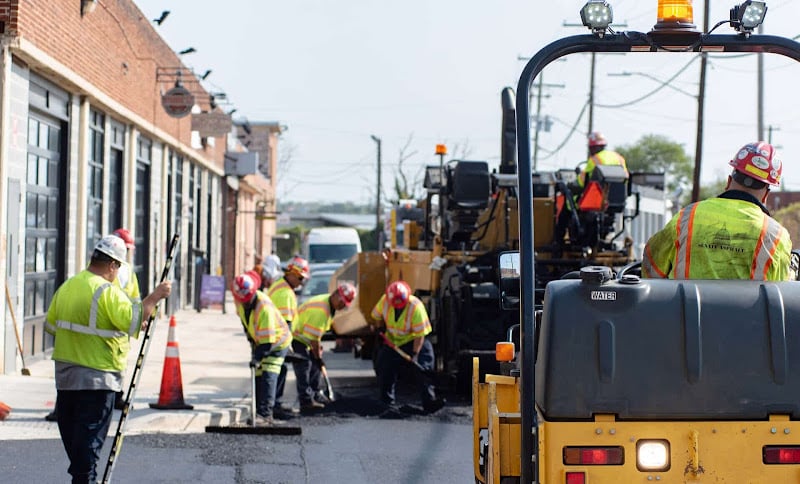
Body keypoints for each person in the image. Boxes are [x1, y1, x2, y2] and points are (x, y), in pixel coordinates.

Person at [45, 235, 172, 483]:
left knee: (78, 453)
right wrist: (155, 296)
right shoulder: (106, 291)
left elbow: (51, 326)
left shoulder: (67, 287)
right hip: (97, 380)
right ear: (113, 265)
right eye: (118, 268)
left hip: (66, 381)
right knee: (87, 457)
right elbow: (134, 320)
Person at [643, 141, 792, 281]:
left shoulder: (687, 217)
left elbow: (651, 270)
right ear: (766, 194)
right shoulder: (777, 235)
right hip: (748, 310)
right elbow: (780, 293)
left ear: (728, 181)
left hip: (685, 308)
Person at [44, 228, 141, 421]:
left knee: (75, 429)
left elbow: (51, 326)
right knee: (90, 432)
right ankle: (116, 397)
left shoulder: (71, 283)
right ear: (113, 264)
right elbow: (133, 314)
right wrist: (151, 302)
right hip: (102, 360)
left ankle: (115, 397)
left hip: (70, 362)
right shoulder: (109, 286)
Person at [370, 280, 445, 414]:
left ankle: (429, 401)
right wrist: (378, 327)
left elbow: (420, 335)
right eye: (395, 303)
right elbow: (376, 316)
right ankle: (386, 402)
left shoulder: (415, 306)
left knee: (423, 368)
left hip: (414, 340)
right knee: (384, 366)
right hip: (393, 341)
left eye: (400, 303)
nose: (398, 306)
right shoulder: (385, 301)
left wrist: (415, 355)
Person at [231, 272, 292, 426]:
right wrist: (252, 344)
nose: (244, 303)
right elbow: (246, 325)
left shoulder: (264, 307)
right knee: (257, 374)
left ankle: (265, 415)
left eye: (247, 300)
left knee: (269, 373)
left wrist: (257, 357)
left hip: (277, 341)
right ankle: (257, 411)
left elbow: (267, 342)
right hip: (260, 341)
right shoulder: (240, 302)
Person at [288, 282, 356, 411]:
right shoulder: (321, 310)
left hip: (306, 337)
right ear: (336, 295)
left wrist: (317, 353)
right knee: (304, 366)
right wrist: (317, 353)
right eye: (342, 303)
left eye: (344, 305)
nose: (342, 306)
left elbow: (316, 337)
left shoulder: (329, 305)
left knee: (316, 366)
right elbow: (313, 339)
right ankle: (306, 401)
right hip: (297, 337)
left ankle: (315, 394)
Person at [269, 255, 311, 411]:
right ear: (291, 273)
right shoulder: (285, 293)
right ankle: (274, 405)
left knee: (279, 369)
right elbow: (285, 324)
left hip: (271, 336)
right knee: (279, 369)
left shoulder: (280, 285)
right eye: (300, 278)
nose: (301, 282)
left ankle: (274, 404)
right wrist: (288, 344)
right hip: (276, 337)